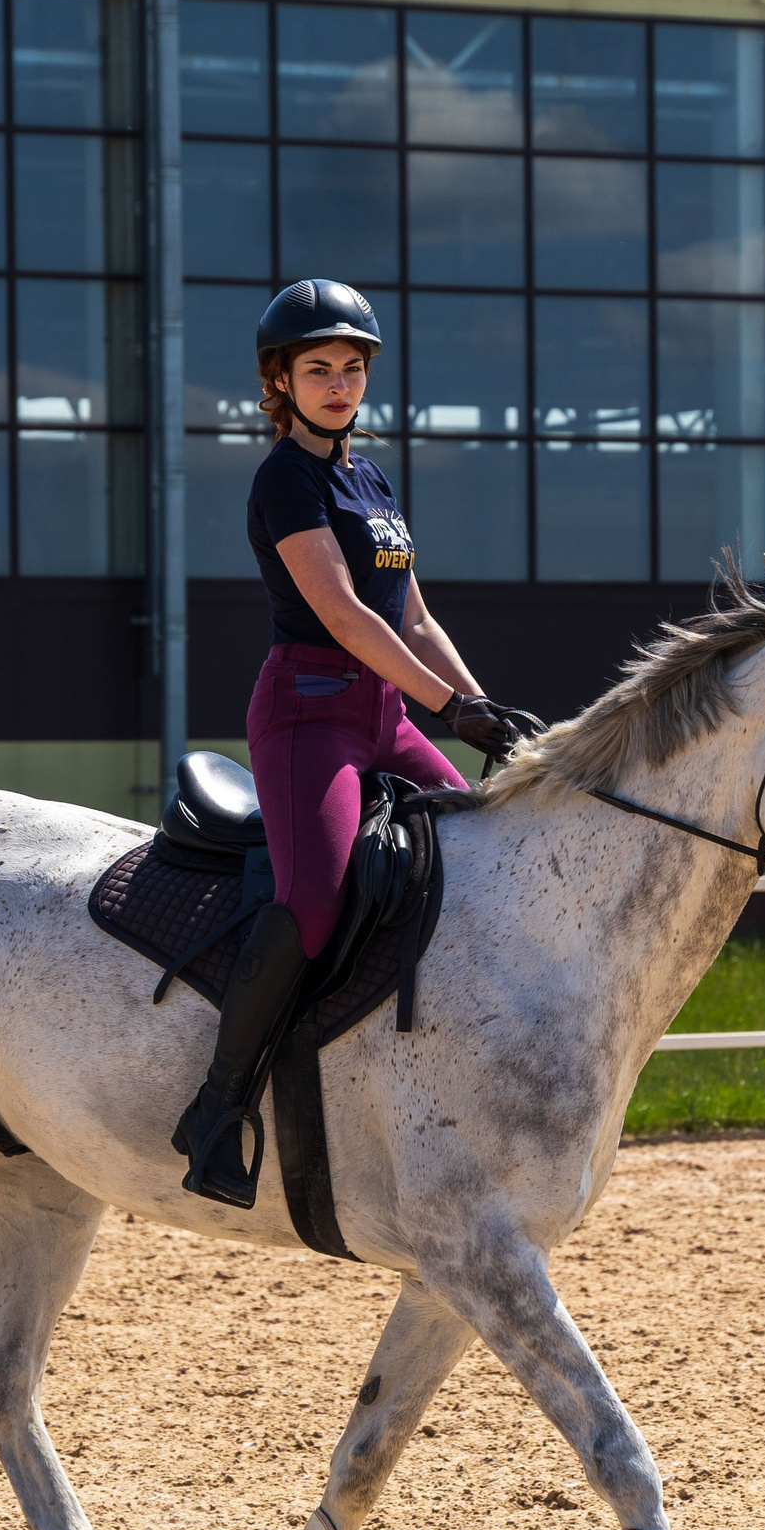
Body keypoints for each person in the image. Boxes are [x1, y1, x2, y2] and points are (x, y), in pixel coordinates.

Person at [172, 279, 536, 1209]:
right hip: (308, 712)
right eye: (317, 369)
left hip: (386, 710)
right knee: (317, 898)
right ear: (280, 381)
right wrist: (452, 705)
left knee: (478, 848)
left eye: (351, 368)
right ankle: (217, 1110)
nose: (339, 384)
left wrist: (483, 704)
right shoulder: (283, 479)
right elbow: (340, 614)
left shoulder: (369, 479)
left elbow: (411, 612)